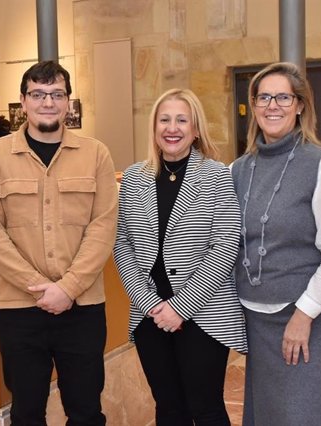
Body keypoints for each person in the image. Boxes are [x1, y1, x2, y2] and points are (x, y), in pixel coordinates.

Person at [0, 61, 118, 425]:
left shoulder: (96, 154)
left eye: (56, 94)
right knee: (26, 412)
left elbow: (103, 227)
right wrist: (39, 288)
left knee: (86, 410)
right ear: (23, 102)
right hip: (18, 308)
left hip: (82, 306)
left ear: (68, 102)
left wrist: (67, 288)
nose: (47, 102)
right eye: (38, 94)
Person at [230, 62, 321, 425]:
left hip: (313, 319)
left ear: (301, 105)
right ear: (253, 106)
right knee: (272, 414)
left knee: (311, 412)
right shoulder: (238, 169)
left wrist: (303, 315)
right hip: (258, 321)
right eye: (263, 97)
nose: (273, 106)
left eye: (283, 97)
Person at [114, 88, 247, 425]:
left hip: (204, 315)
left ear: (196, 129)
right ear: (154, 127)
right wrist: (149, 303)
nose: (172, 128)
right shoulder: (132, 177)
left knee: (206, 408)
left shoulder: (217, 175)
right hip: (150, 316)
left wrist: (180, 307)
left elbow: (225, 246)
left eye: (181, 120)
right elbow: (122, 243)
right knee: (168, 408)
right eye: (164, 119)